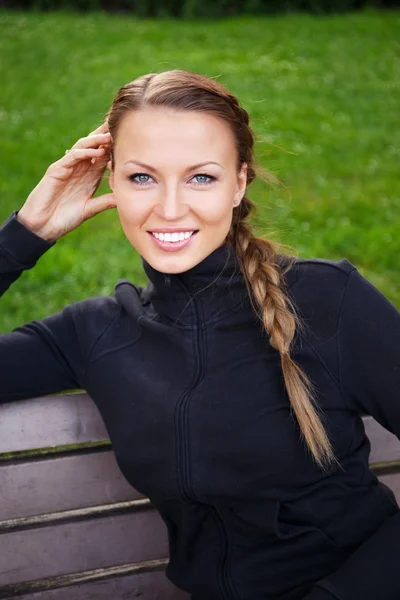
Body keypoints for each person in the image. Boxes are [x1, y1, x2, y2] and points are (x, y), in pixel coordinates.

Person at [0, 69, 399, 600]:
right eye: (142, 177)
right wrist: (25, 235)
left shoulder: (329, 301)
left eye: (201, 178)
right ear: (110, 179)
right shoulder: (93, 333)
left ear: (239, 183)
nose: (169, 209)